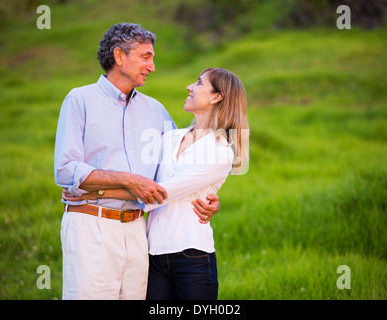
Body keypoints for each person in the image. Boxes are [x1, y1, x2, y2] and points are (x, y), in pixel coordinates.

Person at [54, 23, 220, 300]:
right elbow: (66, 169)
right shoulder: (79, 100)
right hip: (91, 225)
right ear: (119, 56)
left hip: (139, 229)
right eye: (146, 57)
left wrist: (210, 195)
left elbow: (176, 170)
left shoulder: (156, 111)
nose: (152, 67)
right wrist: (129, 180)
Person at [64, 67, 249, 300]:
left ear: (216, 96)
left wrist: (94, 190)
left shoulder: (220, 152)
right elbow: (142, 177)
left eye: (199, 83)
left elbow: (158, 192)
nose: (189, 86)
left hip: (191, 255)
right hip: (151, 253)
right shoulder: (169, 137)